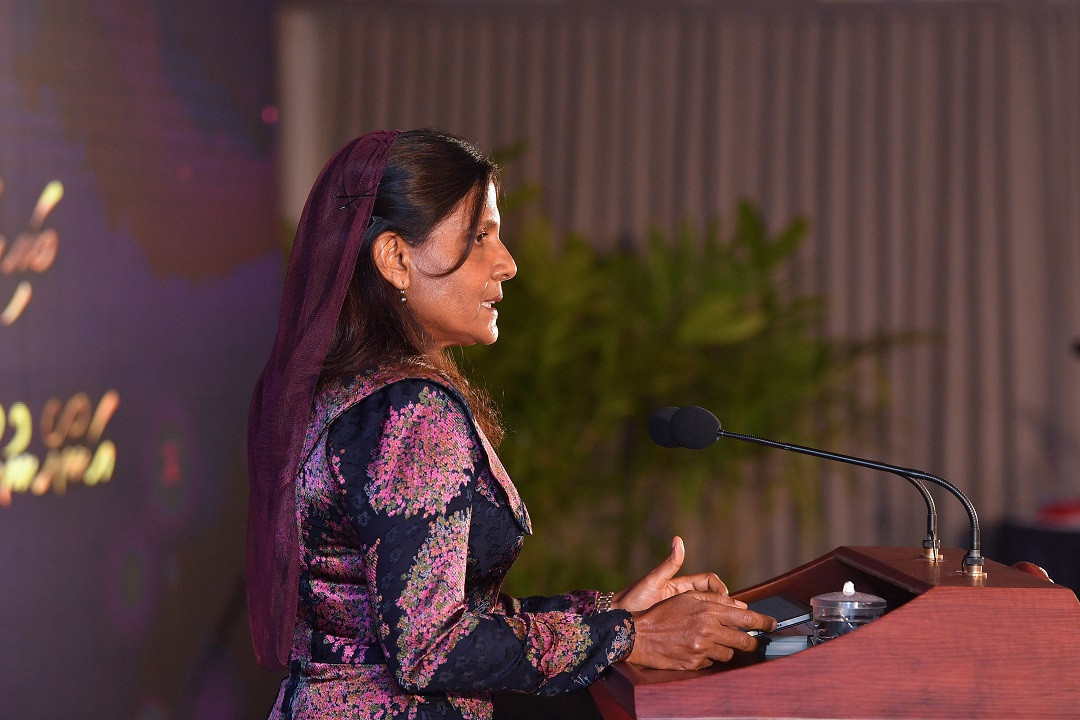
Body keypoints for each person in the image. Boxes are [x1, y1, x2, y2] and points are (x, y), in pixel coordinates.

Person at [246, 129, 775, 720]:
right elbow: (432, 647)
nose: (509, 263)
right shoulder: (411, 412)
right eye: (479, 239)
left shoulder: (347, 392)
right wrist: (630, 638)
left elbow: (423, 618)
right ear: (395, 258)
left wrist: (612, 618)